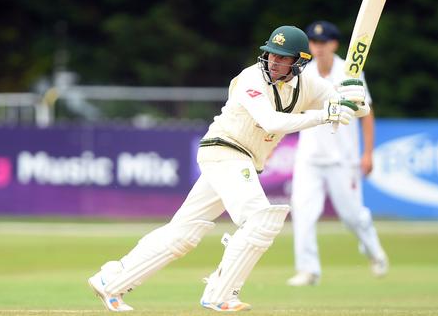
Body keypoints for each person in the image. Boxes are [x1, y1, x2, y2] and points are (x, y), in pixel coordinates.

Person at [88, 25, 370, 312]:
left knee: (182, 234)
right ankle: (220, 293)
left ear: (298, 62)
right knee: (261, 219)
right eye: (271, 54)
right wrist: (324, 115)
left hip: (241, 160)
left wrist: (354, 96)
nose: (274, 61)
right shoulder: (251, 78)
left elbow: (353, 108)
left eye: (283, 57)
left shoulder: (308, 85)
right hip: (224, 151)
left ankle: (110, 281)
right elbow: (272, 122)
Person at [287, 20, 388, 287]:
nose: (317, 48)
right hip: (309, 157)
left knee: (352, 216)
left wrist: (368, 153)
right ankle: (308, 270)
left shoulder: (349, 72)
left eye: (322, 43)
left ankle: (375, 253)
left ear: (333, 44)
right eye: (313, 42)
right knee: (303, 212)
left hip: (343, 159)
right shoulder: (304, 73)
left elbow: (367, 114)